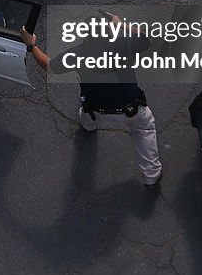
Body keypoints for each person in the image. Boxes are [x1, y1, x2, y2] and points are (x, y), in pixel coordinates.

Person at [22, 14, 164, 189]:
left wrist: (31, 45)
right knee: (144, 129)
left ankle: (89, 126)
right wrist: (121, 25)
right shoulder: (123, 45)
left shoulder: (78, 53)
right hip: (131, 110)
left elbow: (49, 66)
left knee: (86, 114)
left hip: (95, 108)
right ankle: (151, 175)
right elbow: (148, 38)